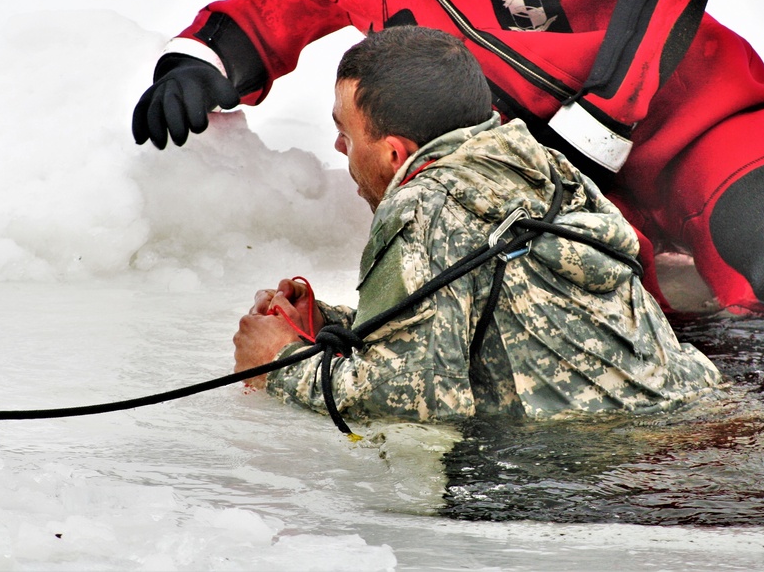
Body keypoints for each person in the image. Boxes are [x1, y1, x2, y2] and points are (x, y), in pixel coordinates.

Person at [134, 0, 764, 315]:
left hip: (699, 124)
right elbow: (265, 6)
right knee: (582, 325)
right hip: (524, 177)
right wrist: (199, 64)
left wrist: (600, 119)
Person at [231, 26, 720, 421]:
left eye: (346, 133)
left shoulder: (423, 204)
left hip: (624, 461)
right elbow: (469, 311)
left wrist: (279, 363)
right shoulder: (539, 162)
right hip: (693, 408)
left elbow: (416, 399)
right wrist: (328, 327)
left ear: (395, 152)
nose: (340, 149)